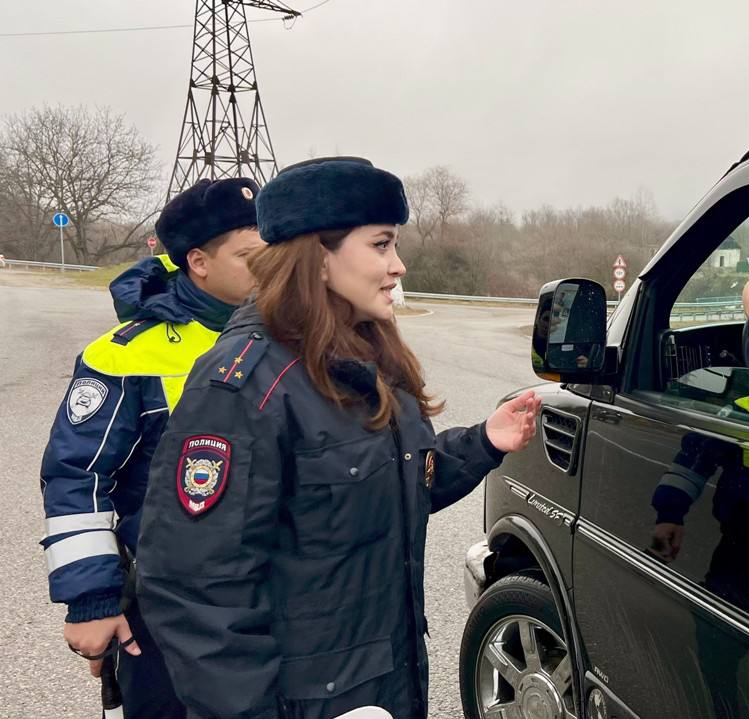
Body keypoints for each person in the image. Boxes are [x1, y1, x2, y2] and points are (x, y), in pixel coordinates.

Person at [135, 157, 542, 719]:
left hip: (381, 687)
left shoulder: (369, 355)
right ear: (316, 256)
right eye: (381, 244)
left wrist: (483, 444)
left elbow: (385, 489)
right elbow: (196, 588)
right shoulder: (243, 385)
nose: (399, 266)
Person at [38, 177, 264, 718]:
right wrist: (91, 600)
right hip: (167, 605)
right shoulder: (126, 354)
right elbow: (77, 475)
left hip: (276, 594)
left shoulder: (293, 337)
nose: (272, 268)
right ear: (198, 262)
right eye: (252, 256)